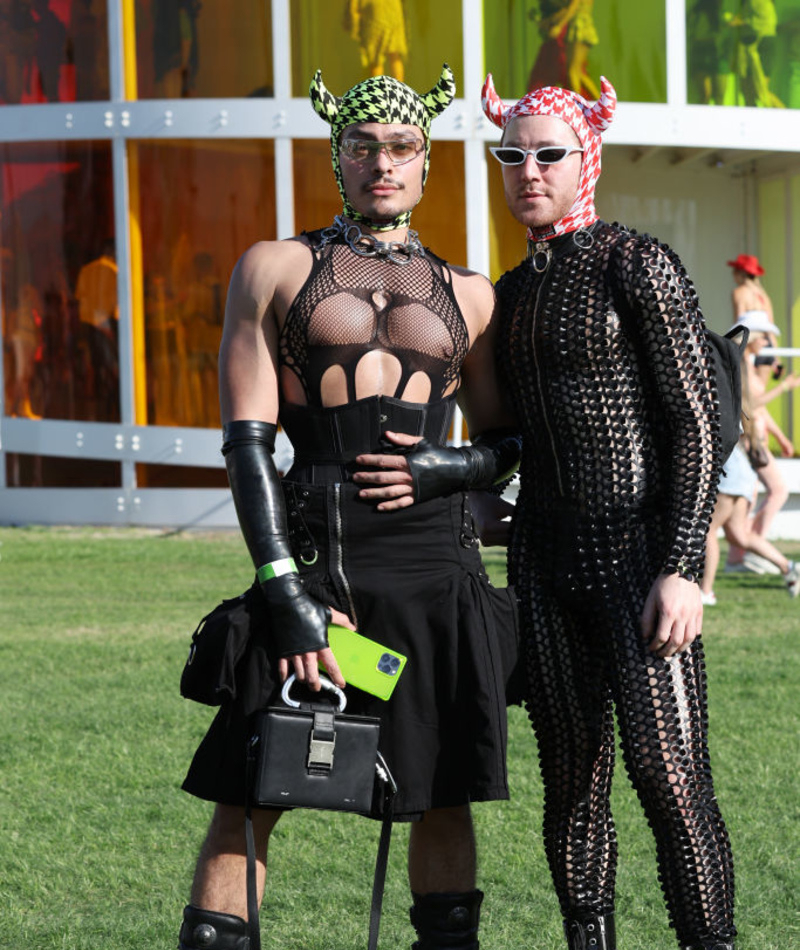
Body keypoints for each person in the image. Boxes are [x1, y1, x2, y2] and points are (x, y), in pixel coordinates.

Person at [177, 65, 521, 950]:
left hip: (435, 577)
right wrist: (288, 597)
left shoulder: (471, 295)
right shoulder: (276, 268)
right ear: (337, 152)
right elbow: (248, 442)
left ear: (426, 162)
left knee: (441, 792)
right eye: (363, 145)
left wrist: (453, 467)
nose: (382, 163)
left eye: (402, 147)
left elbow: (508, 444)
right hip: (315, 562)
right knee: (253, 790)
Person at [477, 76, 735, 949]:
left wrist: (683, 565)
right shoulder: (509, 294)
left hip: (640, 558)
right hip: (546, 566)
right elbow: (512, 437)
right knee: (572, 787)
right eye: (511, 154)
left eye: (549, 153)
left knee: (671, 781)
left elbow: (696, 419)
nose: (528, 170)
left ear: (586, 156)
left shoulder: (635, 261)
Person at [724, 262, 800, 574]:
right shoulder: (760, 296)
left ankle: (742, 555)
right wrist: (783, 385)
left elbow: (756, 407)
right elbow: (751, 406)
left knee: (754, 496)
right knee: (770, 491)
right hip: (747, 441)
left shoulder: (741, 293)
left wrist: (780, 437)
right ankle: (750, 551)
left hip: (751, 439)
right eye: (766, 335)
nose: (769, 339)